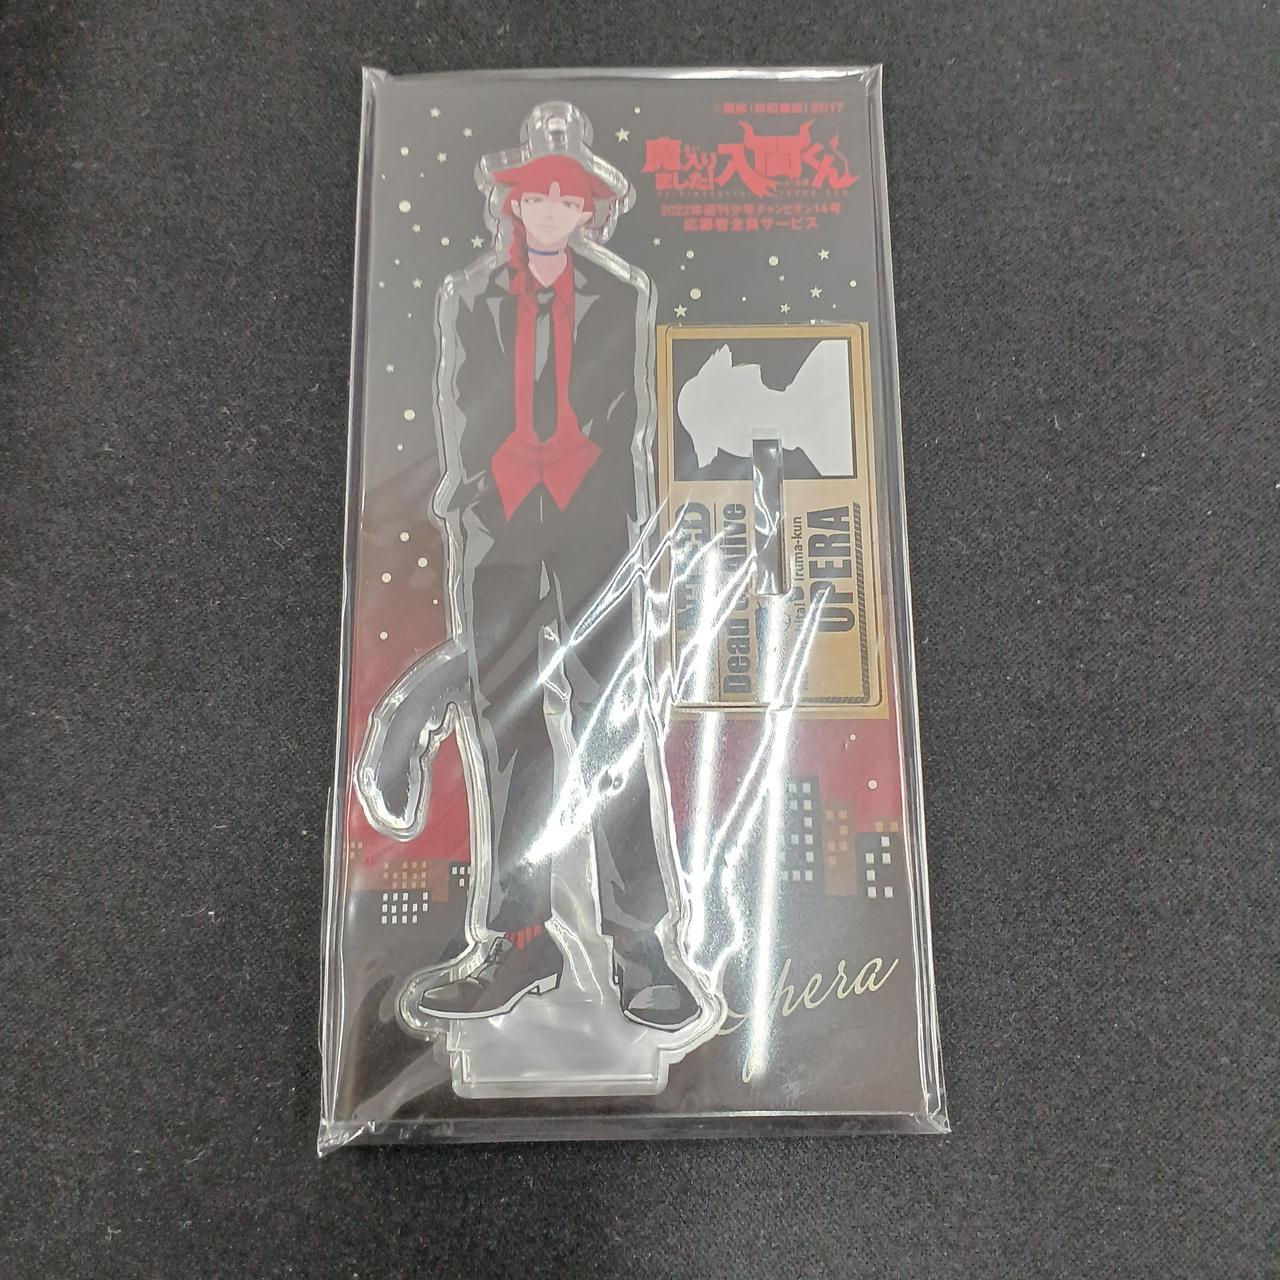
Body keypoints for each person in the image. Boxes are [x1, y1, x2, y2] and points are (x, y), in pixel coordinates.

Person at [404, 149, 700, 1030]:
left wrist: (620, 520)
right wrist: (473, 498)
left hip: (596, 529)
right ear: (514, 202)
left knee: (614, 723)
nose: (549, 210)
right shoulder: (470, 295)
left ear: (586, 212)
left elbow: (626, 411)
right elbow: (462, 403)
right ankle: (521, 939)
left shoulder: (621, 293)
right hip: (497, 531)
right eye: (537, 196)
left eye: (567, 200)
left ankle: (640, 942)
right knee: (507, 733)